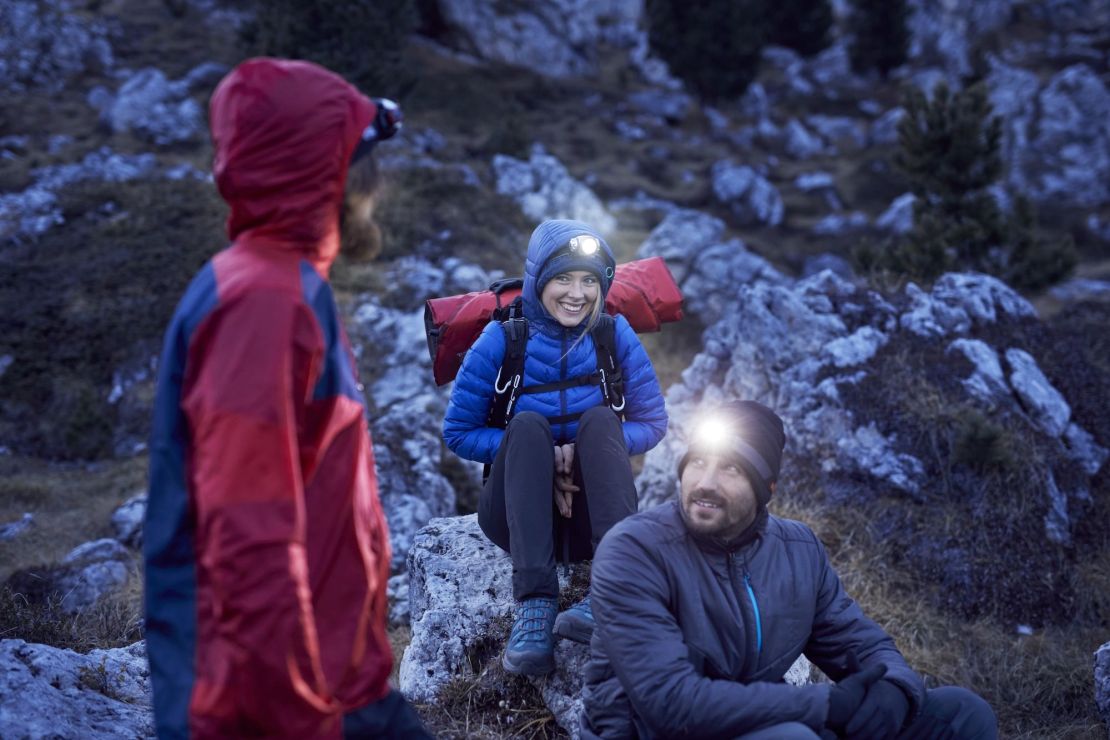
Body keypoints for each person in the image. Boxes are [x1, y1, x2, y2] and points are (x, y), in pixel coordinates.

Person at [144, 58, 430, 739]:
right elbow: (249, 542)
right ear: (330, 173)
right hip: (282, 708)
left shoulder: (281, 288)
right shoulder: (263, 305)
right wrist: (304, 719)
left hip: (334, 689)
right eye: (364, 161)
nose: (378, 187)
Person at [581, 400, 998, 739]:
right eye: (697, 462)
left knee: (962, 714)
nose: (705, 482)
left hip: (764, 720)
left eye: (731, 468)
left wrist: (895, 689)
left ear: (768, 489)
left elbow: (861, 642)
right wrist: (825, 706)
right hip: (662, 731)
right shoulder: (635, 550)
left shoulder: (798, 550)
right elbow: (671, 703)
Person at [443, 218, 668, 676]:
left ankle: (612, 587)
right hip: (515, 518)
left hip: (589, 518)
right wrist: (546, 455)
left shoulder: (612, 335)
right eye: (562, 278)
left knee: (602, 420)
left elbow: (653, 422)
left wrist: (580, 449)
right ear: (538, 280)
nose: (577, 293)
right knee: (526, 427)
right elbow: (458, 432)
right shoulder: (503, 340)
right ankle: (535, 605)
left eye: (589, 280)